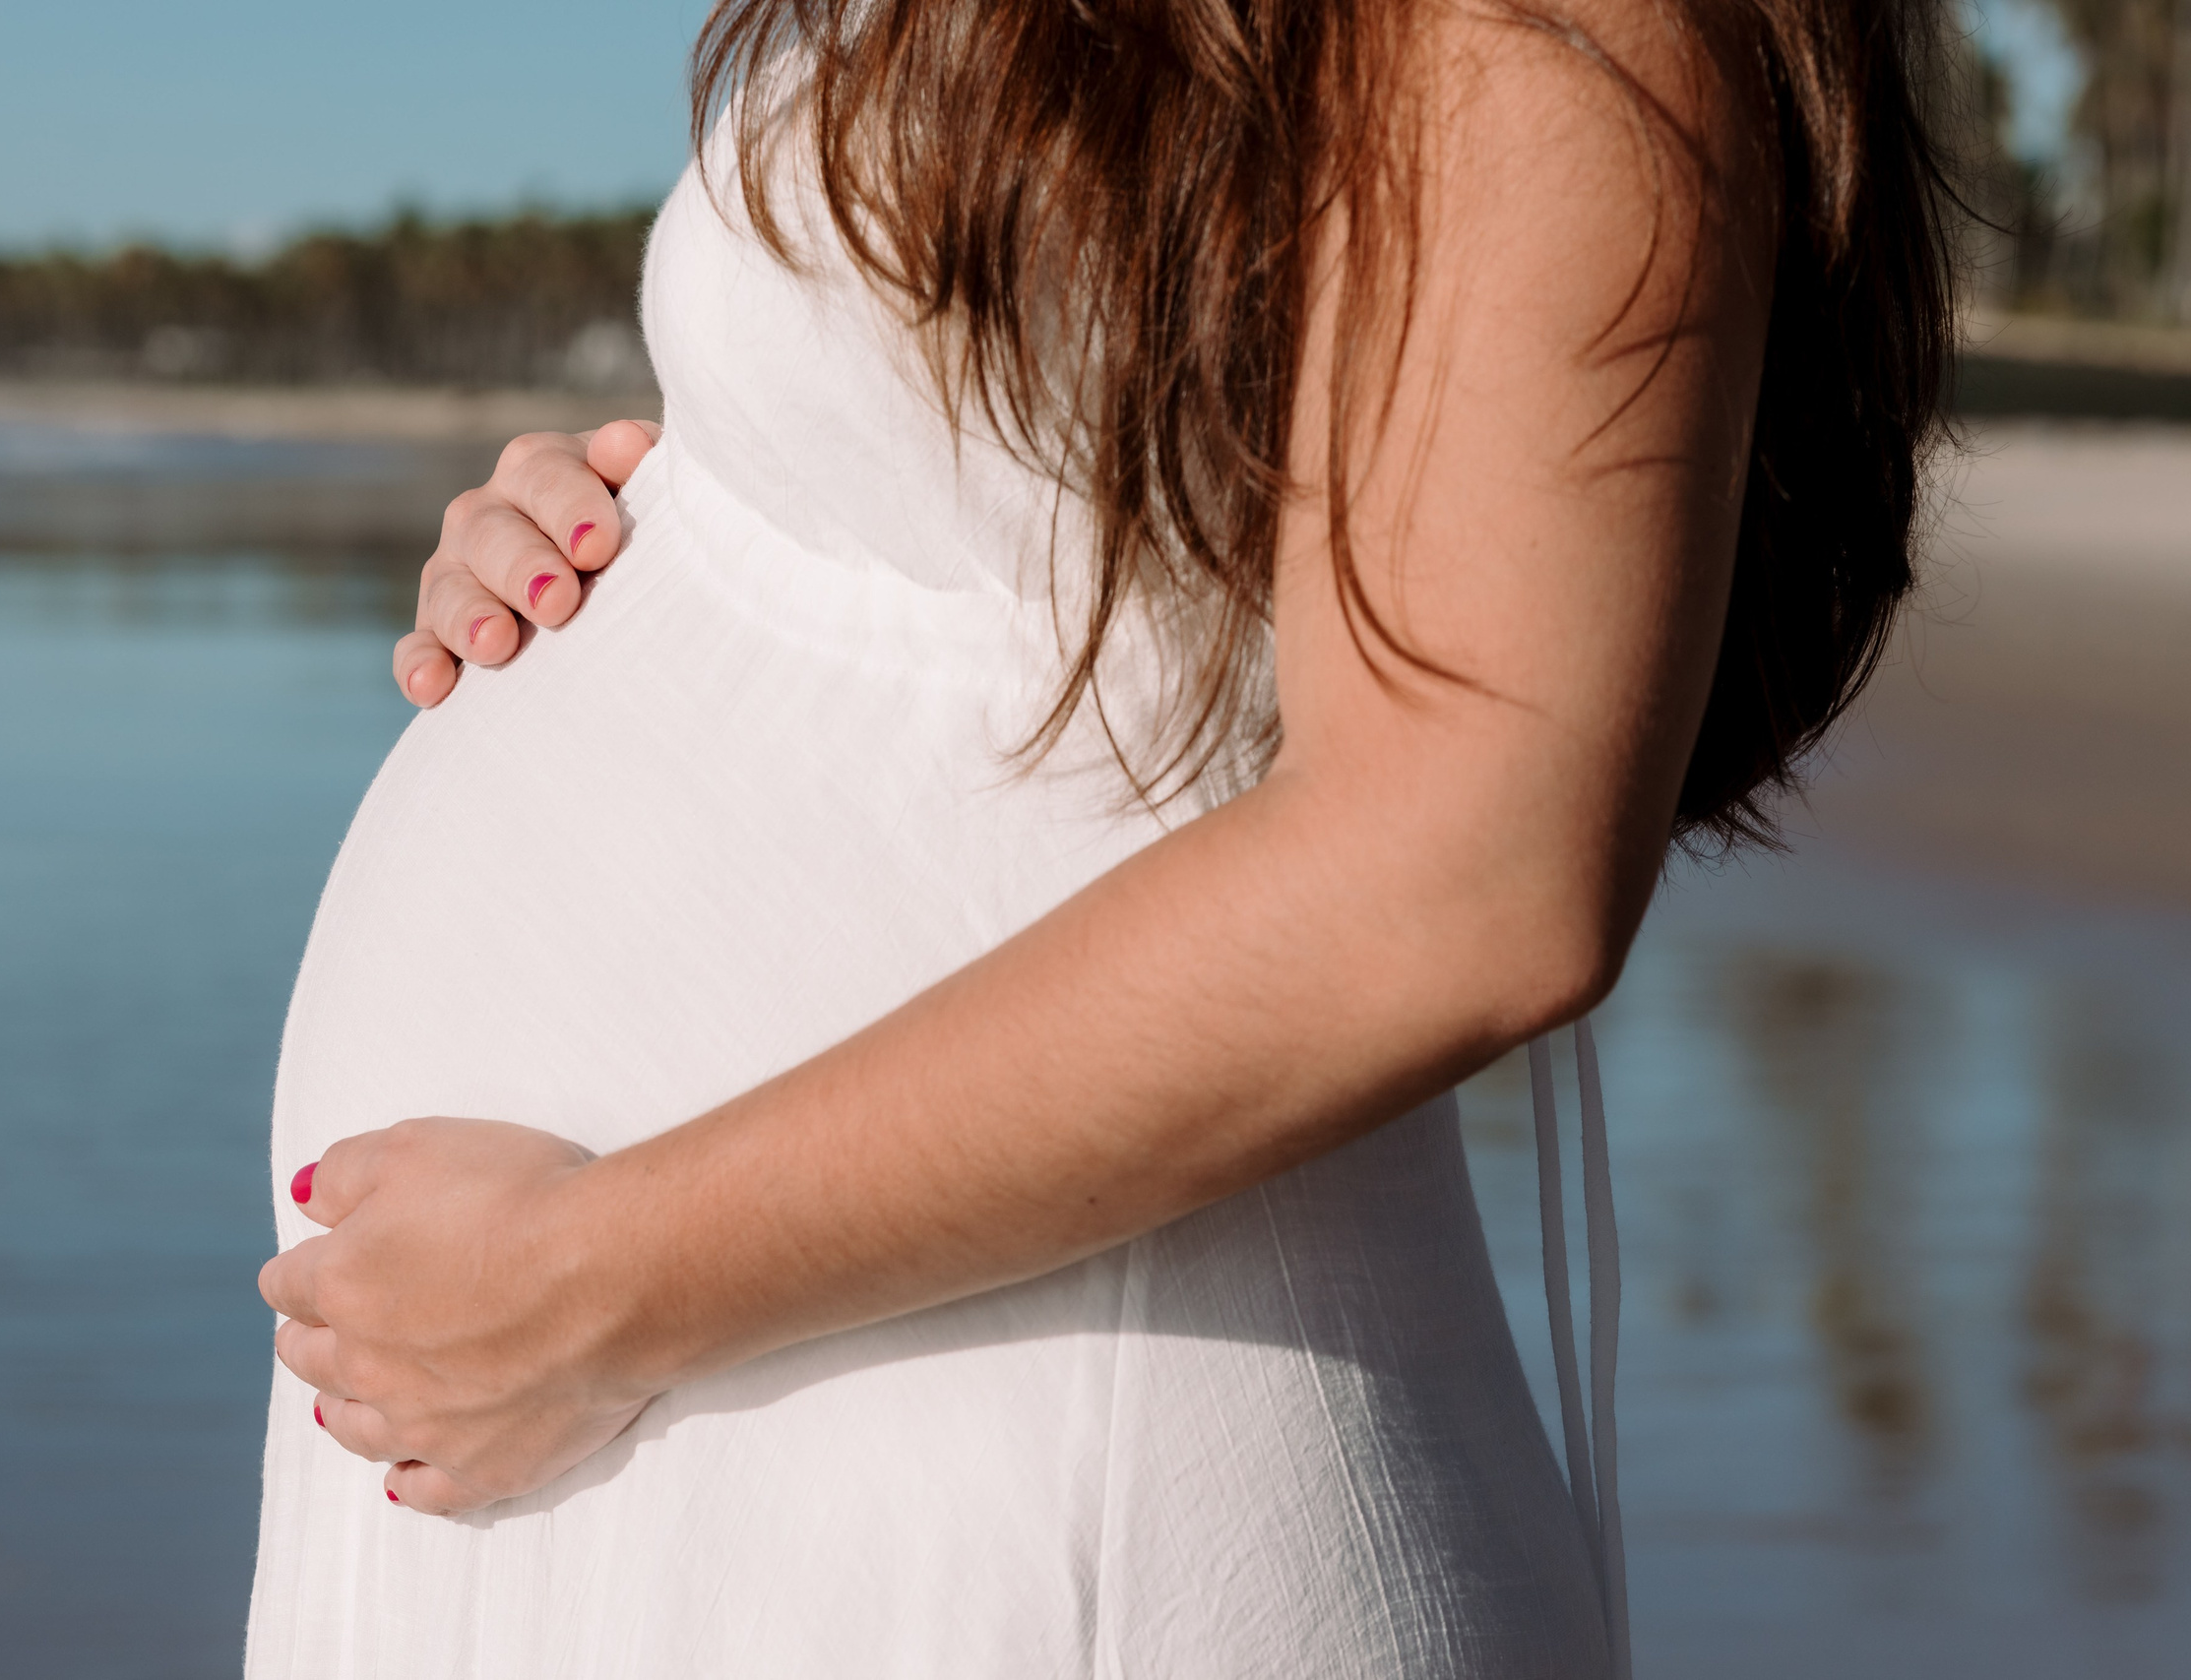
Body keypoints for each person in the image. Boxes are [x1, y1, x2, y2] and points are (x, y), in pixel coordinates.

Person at [249, 0, 1954, 1673]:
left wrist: (578, 1286)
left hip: (999, 1488)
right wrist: (660, 516)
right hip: (702, 1429)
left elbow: (1467, 875)